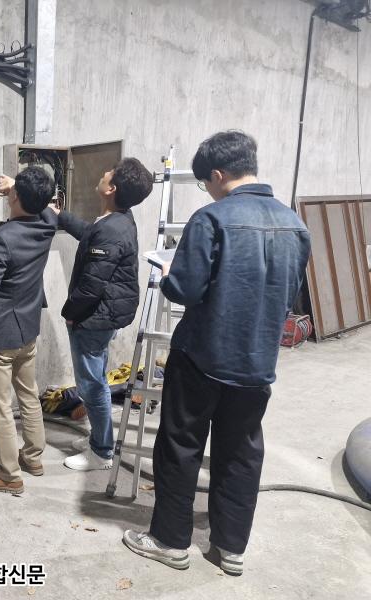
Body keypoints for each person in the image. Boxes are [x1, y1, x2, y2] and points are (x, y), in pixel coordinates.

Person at [122, 131, 311, 575]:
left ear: (219, 174)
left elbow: (185, 289)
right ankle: (231, 549)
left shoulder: (212, 219)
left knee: (181, 446)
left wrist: (168, 272)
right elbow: (289, 295)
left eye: (206, 182)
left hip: (202, 356)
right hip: (257, 362)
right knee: (241, 452)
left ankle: (170, 542)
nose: (207, 189)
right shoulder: (295, 225)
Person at [52, 158, 154, 471]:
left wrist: (69, 313)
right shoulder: (117, 220)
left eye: (109, 172)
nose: (103, 172)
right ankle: (100, 437)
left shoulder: (112, 229)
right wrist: (60, 216)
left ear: (111, 188)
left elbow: (91, 286)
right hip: (106, 313)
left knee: (91, 385)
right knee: (95, 378)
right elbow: (90, 233)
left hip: (95, 316)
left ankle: (101, 452)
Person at [0, 166, 57, 494]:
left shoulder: (1, 239)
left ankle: (9, 475)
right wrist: (16, 187)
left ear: (15, 196)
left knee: (0, 406)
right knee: (28, 395)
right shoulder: (48, 224)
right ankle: (33, 457)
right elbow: (46, 206)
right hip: (27, 329)